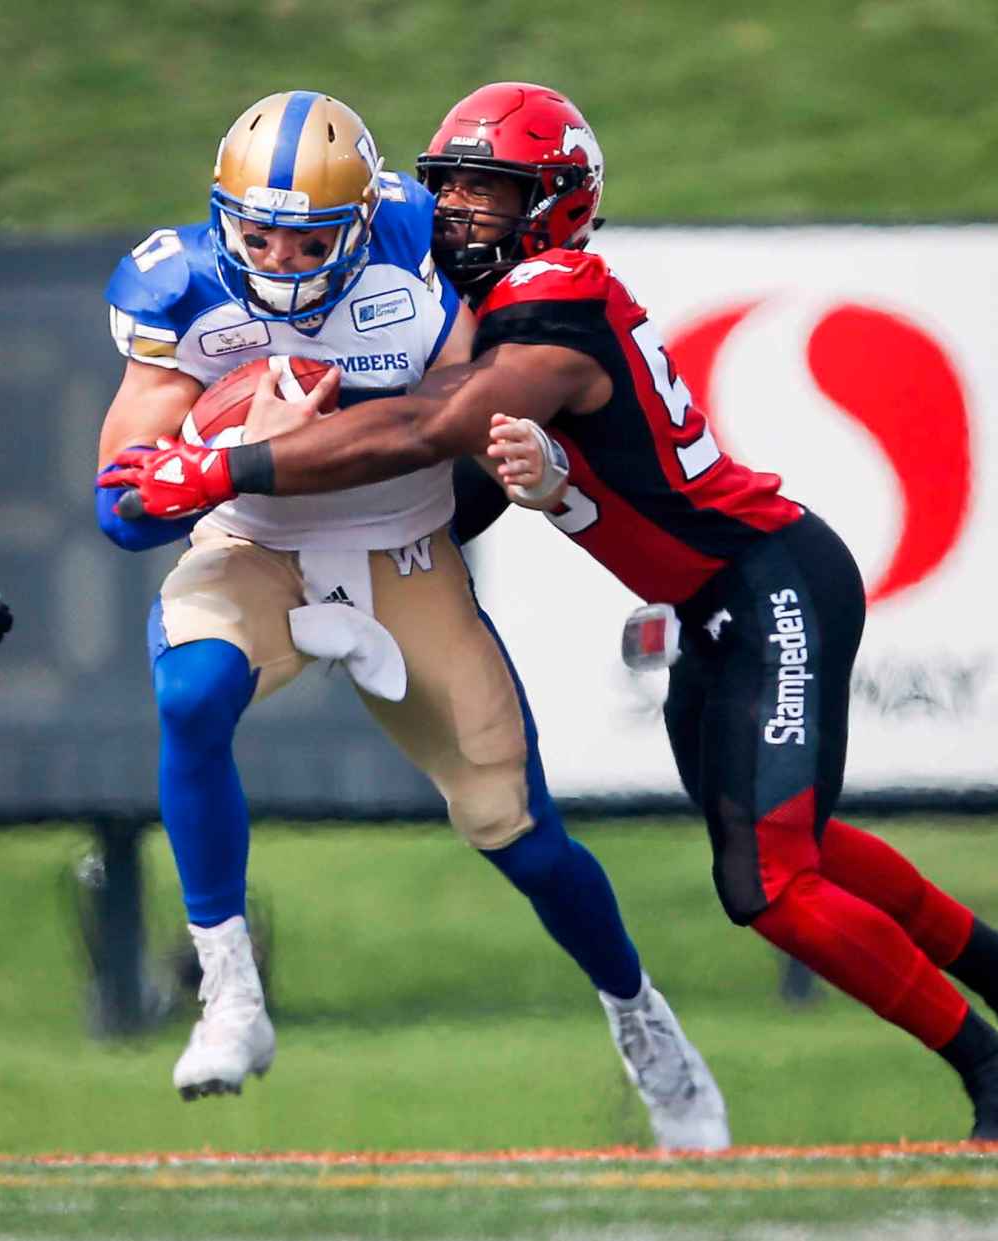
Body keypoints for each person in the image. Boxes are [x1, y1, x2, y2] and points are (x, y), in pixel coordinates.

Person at [108, 81, 998, 1141]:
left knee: (770, 884)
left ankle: (982, 1064)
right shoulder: (465, 295)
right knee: (789, 846)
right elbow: (464, 481)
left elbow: (430, 426)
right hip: (702, 602)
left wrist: (225, 461)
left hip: (767, 579)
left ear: (559, 202)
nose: (459, 213)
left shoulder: (552, 299)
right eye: (453, 187)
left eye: (492, 192)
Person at [95, 89, 728, 1148]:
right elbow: (118, 508)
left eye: (308, 240)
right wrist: (204, 463)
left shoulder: (423, 249)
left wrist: (498, 454)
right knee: (191, 692)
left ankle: (638, 1012)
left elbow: (455, 417)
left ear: (363, 222)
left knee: (518, 835)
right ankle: (231, 988)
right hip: (256, 548)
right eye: (257, 233)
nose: (280, 260)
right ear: (220, 218)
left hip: (405, 553)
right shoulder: (177, 287)